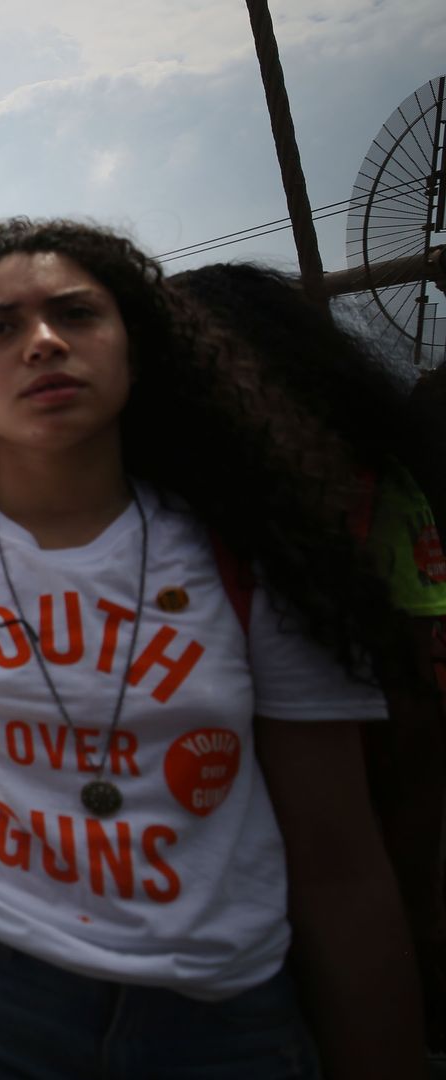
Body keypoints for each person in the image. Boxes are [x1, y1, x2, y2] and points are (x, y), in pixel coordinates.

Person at [0, 217, 424, 1076]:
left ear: (136, 352)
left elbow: (339, 862)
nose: (44, 342)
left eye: (78, 314)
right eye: (0, 327)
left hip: (221, 1015)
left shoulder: (261, 554)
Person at [173, 262, 446, 1054]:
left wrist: (413, 908)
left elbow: (413, 712)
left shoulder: (370, 486)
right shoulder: (166, 494)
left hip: (359, 787)